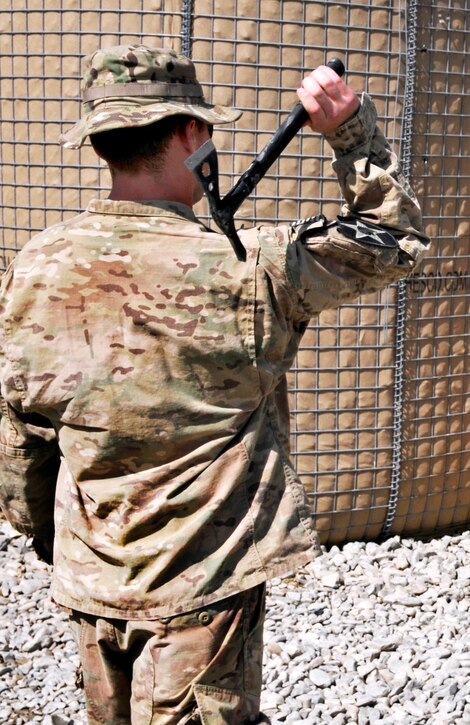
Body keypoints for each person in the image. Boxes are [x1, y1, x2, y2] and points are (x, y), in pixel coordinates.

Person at [0, 44, 428, 723]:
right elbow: (392, 239)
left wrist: (53, 539)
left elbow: (22, 433)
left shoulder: (36, 265)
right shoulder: (252, 267)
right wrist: (349, 129)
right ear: (191, 133)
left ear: (103, 142)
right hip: (204, 591)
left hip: (91, 580)